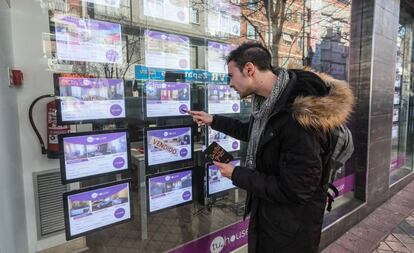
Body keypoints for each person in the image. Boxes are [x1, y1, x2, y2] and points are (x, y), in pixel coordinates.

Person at [188, 42, 353, 253]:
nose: (229, 83)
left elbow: (296, 190)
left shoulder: (298, 118)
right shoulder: (271, 103)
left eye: (231, 75)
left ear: (249, 69)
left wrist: (237, 174)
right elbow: (254, 131)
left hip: (290, 232)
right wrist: (213, 120)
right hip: (272, 221)